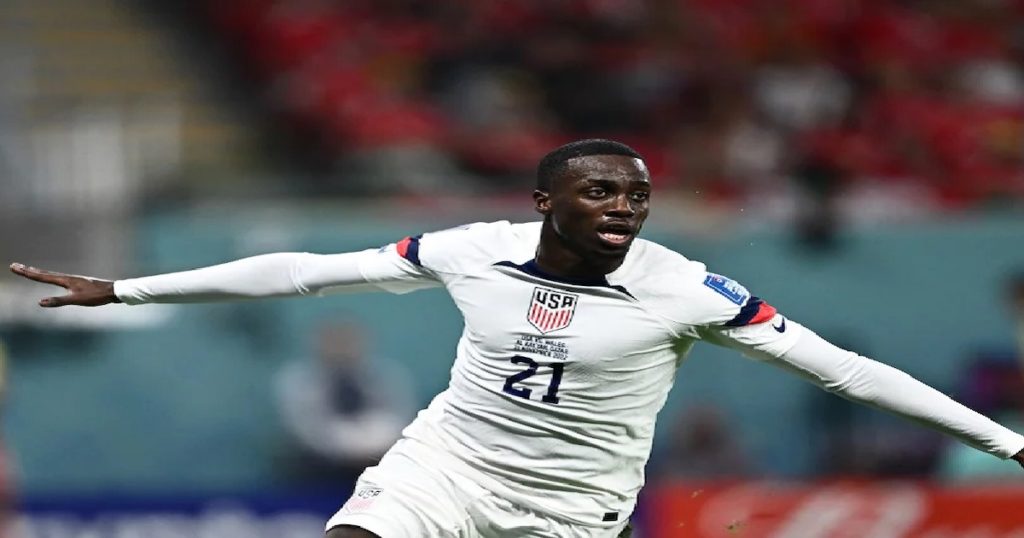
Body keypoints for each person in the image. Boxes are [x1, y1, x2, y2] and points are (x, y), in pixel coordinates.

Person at [9, 139, 1024, 538]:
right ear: (546, 202)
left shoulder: (685, 290)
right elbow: (305, 270)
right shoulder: (474, 250)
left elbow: (845, 372)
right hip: (445, 467)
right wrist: (126, 288)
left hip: (572, 508)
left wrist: (1008, 443)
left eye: (635, 195)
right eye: (601, 191)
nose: (623, 207)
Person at [275, 320, 415, 486]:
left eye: (347, 341)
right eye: (333, 342)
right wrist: (347, 447)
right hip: (321, 464)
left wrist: (373, 441)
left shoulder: (387, 376)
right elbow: (304, 429)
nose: (341, 348)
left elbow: (402, 418)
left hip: (382, 456)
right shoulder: (297, 380)